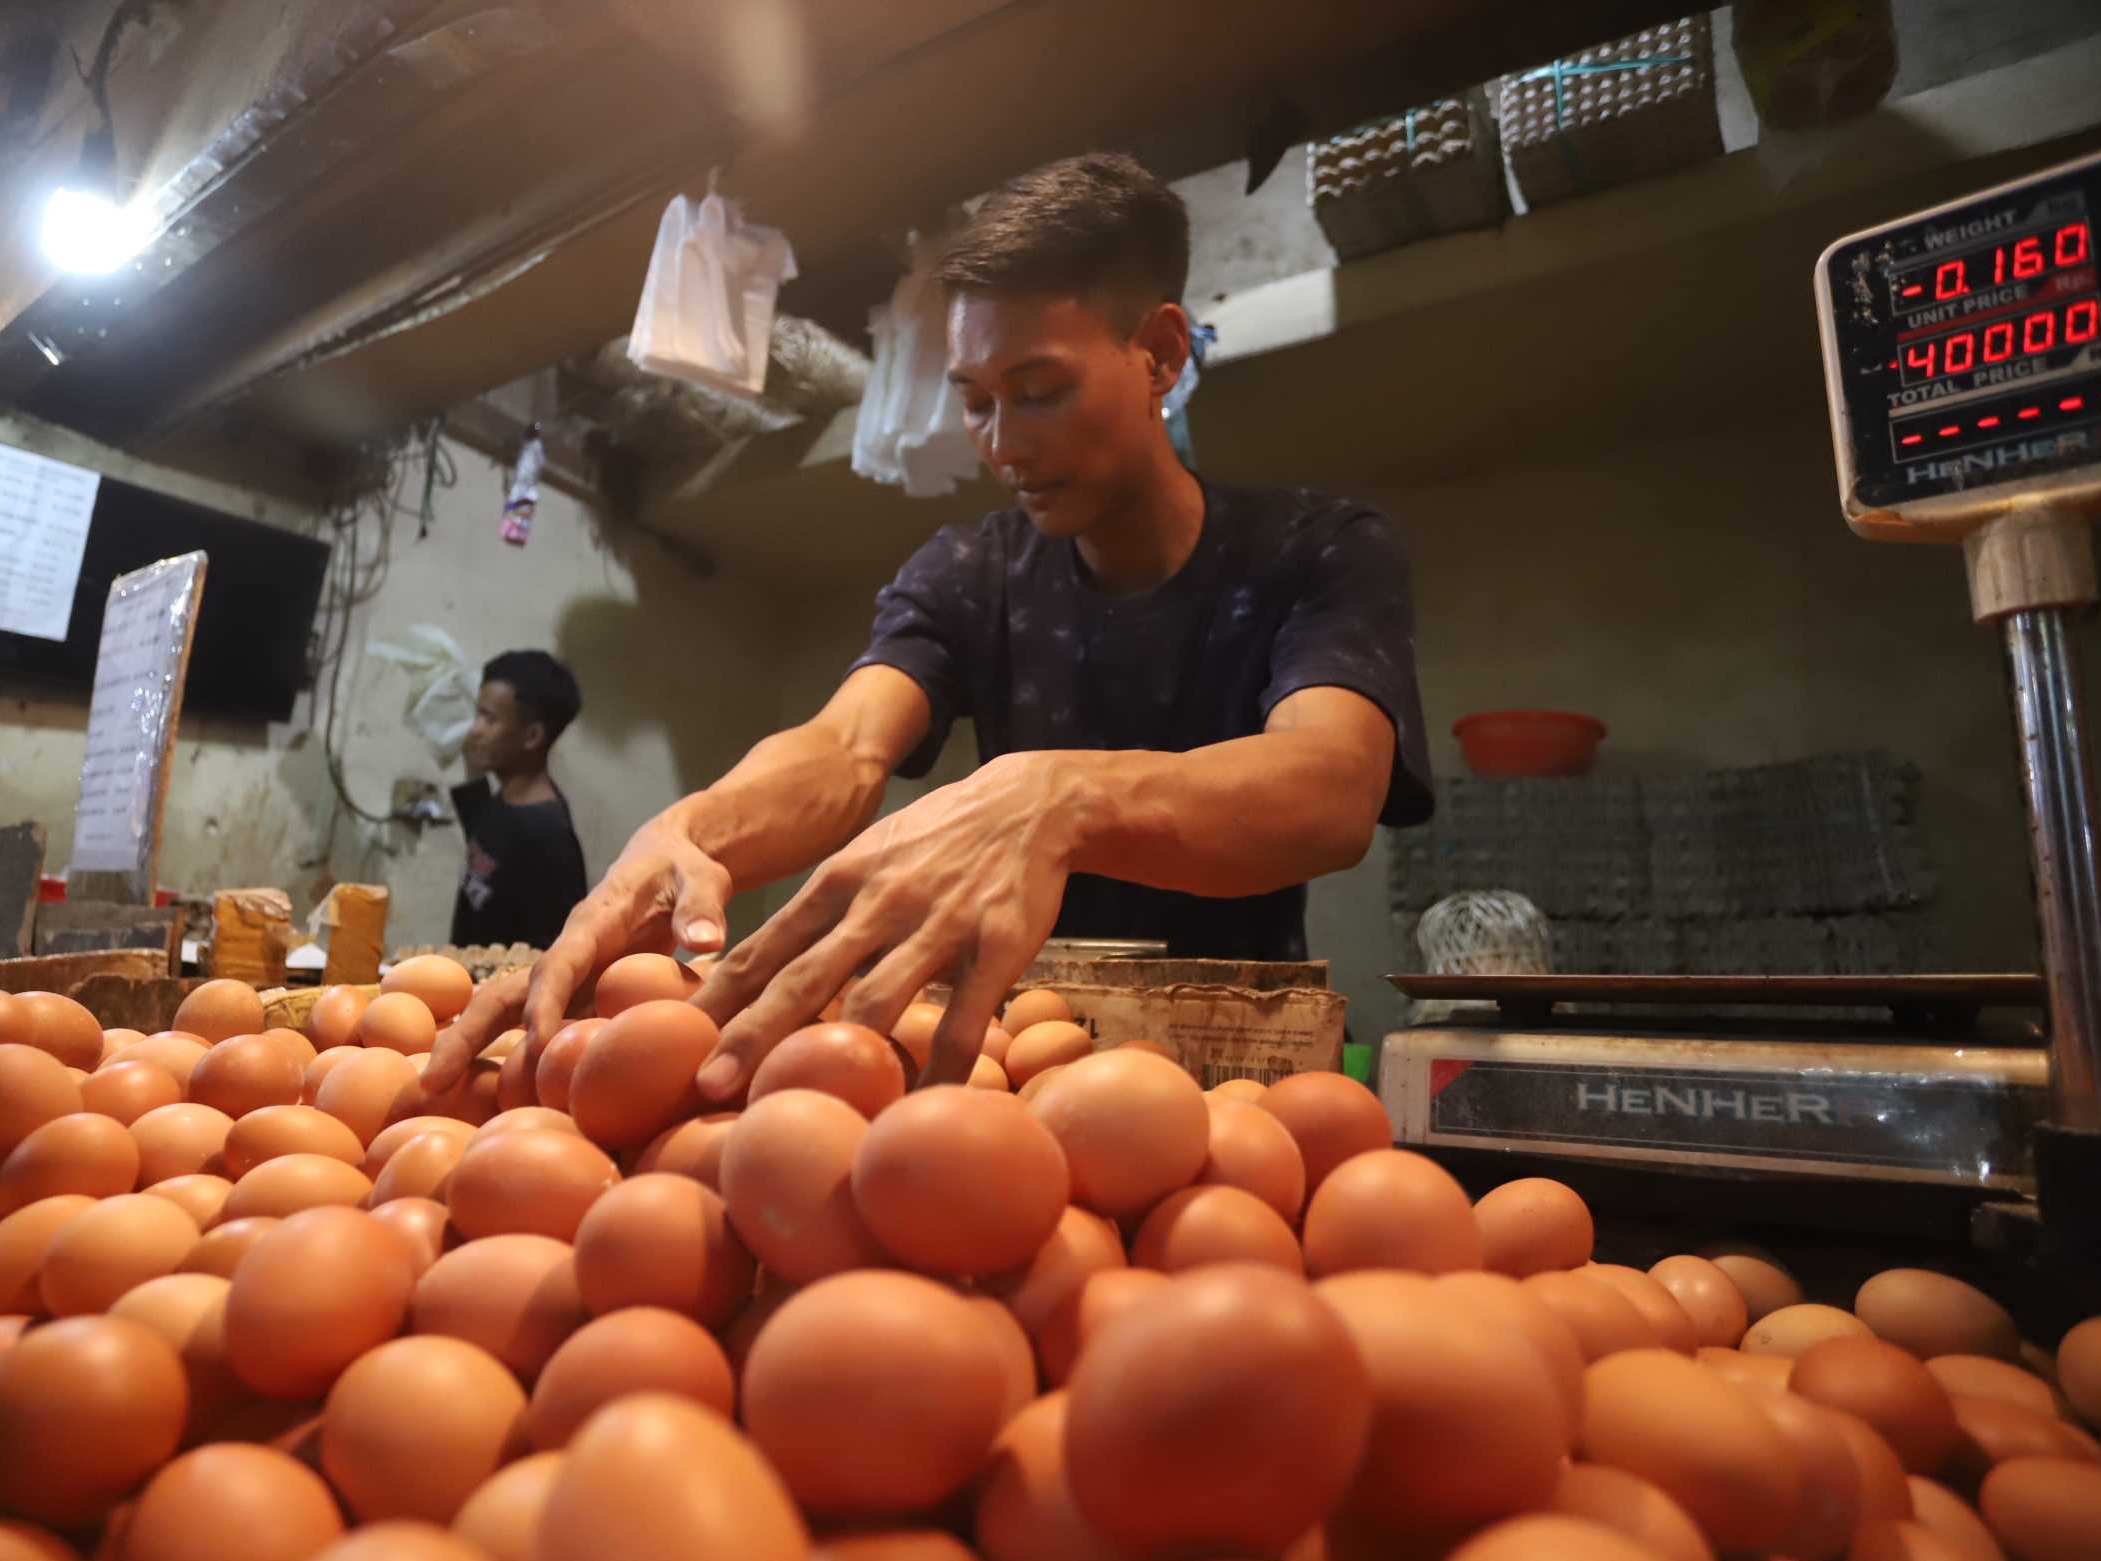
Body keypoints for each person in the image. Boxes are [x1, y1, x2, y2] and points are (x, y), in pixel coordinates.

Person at [430, 152, 1431, 1093]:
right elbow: (845, 748)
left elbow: (1332, 787)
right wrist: (692, 831)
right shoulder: (971, 570)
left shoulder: (1316, 549)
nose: (1001, 444)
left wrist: (1059, 795)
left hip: (1230, 1058)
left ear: (1162, 352)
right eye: (976, 402)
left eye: (1037, 393)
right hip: (1001, 1048)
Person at [450, 648, 589, 949]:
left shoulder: (548, 836)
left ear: (532, 737)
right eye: (478, 715)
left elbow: (556, 952)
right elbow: (488, 841)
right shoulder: (509, 798)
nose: (475, 730)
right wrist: (473, 764)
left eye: (489, 719)